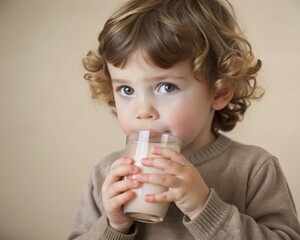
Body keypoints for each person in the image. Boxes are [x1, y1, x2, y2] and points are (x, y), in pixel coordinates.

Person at [67, 0, 300, 239]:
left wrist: (204, 208)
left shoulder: (254, 169)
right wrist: (113, 226)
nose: (142, 110)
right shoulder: (108, 174)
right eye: (126, 90)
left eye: (166, 87)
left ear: (219, 91)